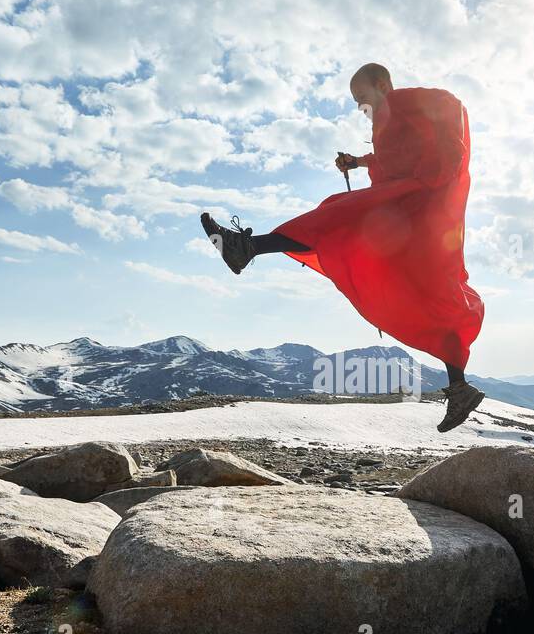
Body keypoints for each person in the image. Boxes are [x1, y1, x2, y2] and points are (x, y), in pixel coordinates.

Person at [201, 63, 486, 432]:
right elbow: (400, 155)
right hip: (419, 208)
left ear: (382, 85)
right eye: (356, 102)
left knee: (338, 217)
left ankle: (246, 248)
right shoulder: (390, 116)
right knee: (433, 293)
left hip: (423, 205)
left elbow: (444, 131)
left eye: (362, 98)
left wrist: (431, 178)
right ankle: (460, 388)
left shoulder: (414, 103)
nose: (360, 107)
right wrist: (358, 161)